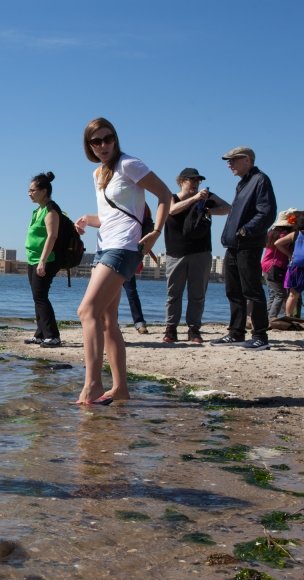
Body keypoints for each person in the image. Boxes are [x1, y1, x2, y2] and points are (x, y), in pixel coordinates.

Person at [73, 117, 171, 405]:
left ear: (115, 139)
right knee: (106, 319)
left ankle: (92, 385)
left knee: (86, 310)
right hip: (105, 245)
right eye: (96, 141)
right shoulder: (98, 173)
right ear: (89, 146)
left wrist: (155, 232)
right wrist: (86, 221)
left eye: (107, 138)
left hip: (125, 247)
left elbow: (165, 194)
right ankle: (120, 389)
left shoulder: (130, 164)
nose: (103, 145)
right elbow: (109, 217)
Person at [210, 147, 277, 350]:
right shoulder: (243, 183)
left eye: (233, 160)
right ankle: (236, 332)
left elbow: (267, 212)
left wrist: (246, 230)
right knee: (233, 290)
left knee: (252, 290)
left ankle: (260, 336)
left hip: (247, 244)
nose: (229, 164)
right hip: (232, 245)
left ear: (247, 160)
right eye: (227, 161)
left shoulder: (260, 180)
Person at [162, 168, 228, 343]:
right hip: (175, 254)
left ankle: (194, 330)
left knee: (197, 294)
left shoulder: (206, 197)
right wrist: (195, 199)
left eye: (198, 181)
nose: (196, 183)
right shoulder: (171, 196)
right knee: (173, 293)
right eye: (192, 180)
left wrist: (209, 211)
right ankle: (171, 329)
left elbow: (228, 208)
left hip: (201, 252)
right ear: (181, 181)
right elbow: (172, 210)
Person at [23, 171, 62, 347]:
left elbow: (52, 237)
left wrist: (43, 261)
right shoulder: (37, 210)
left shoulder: (51, 210)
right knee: (36, 297)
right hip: (33, 259)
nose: (29, 193)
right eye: (29, 190)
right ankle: (40, 334)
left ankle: (53, 336)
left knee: (41, 296)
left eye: (32, 190)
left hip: (45, 260)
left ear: (44, 191)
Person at [262, 208, 295, 323]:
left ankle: (265, 317)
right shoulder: (284, 235)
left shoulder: (271, 233)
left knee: (273, 294)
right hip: (276, 266)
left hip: (266, 265)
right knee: (280, 294)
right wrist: (290, 254)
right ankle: (272, 317)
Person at [275, 208, 303, 319]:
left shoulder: (295, 234)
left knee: (293, 294)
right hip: (298, 266)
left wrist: (289, 254)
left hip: (296, 265)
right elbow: (278, 243)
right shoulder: (295, 234)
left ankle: (288, 316)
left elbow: (278, 243)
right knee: (294, 294)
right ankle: (289, 316)